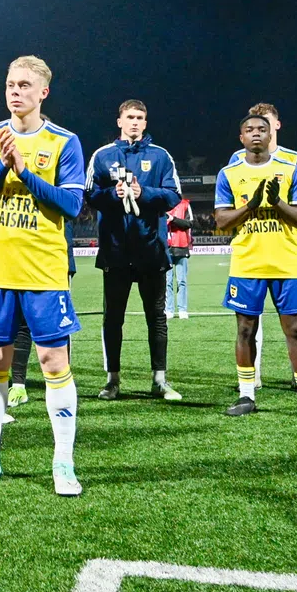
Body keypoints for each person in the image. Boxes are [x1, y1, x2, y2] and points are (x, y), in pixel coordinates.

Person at [0, 56, 86, 496]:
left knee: (53, 363)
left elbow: (70, 207)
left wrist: (24, 171)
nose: (15, 91)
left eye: (25, 85)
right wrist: (2, 164)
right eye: (10, 83)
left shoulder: (65, 142)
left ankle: (63, 463)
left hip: (45, 273)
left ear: (43, 92)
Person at [215, 113, 297, 423]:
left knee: (295, 331)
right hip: (247, 262)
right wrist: (249, 206)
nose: (256, 134)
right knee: (244, 330)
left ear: (270, 136)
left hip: (286, 262)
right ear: (241, 138)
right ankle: (246, 394)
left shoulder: (290, 169)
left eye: (261, 129)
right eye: (249, 130)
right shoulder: (229, 173)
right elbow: (222, 221)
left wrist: (277, 202)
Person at [88, 100, 183, 402]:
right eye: (129, 117)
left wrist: (146, 193)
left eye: (140, 117)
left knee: (155, 317)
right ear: (119, 121)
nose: (134, 122)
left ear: (145, 122)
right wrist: (111, 195)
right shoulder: (102, 156)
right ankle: (112, 380)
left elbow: (173, 195)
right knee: (113, 318)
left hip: (151, 252)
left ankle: (160, 380)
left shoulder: (160, 156)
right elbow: (88, 195)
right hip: (115, 252)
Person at [234, 103, 297, 387]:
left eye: (265, 123)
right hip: (251, 253)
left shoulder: (292, 159)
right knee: (249, 323)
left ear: (276, 126)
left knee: (295, 324)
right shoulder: (237, 160)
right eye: (251, 126)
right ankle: (254, 378)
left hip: (286, 251)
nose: (257, 130)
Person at [164, 197, 193, 319]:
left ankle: (182, 310)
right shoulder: (162, 203)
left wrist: (173, 219)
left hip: (181, 247)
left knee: (182, 281)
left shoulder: (185, 204)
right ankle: (169, 310)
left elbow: (189, 223)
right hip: (166, 248)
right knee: (167, 282)